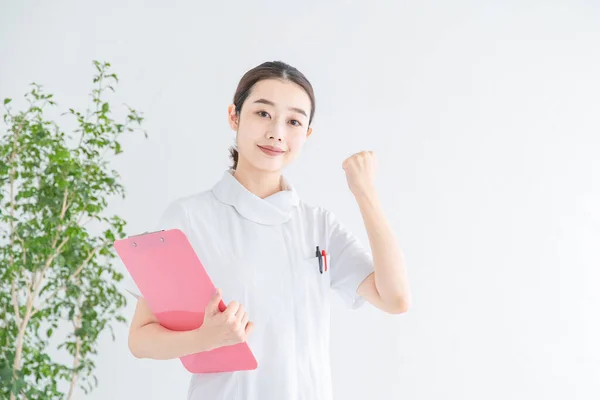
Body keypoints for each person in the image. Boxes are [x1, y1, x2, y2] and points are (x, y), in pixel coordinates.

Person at [125, 60, 411, 400]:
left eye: (293, 121)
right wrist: (206, 338)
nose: (277, 132)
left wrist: (365, 192)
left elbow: (395, 298)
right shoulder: (189, 217)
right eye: (263, 113)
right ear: (234, 116)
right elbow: (140, 339)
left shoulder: (318, 225)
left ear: (306, 135)